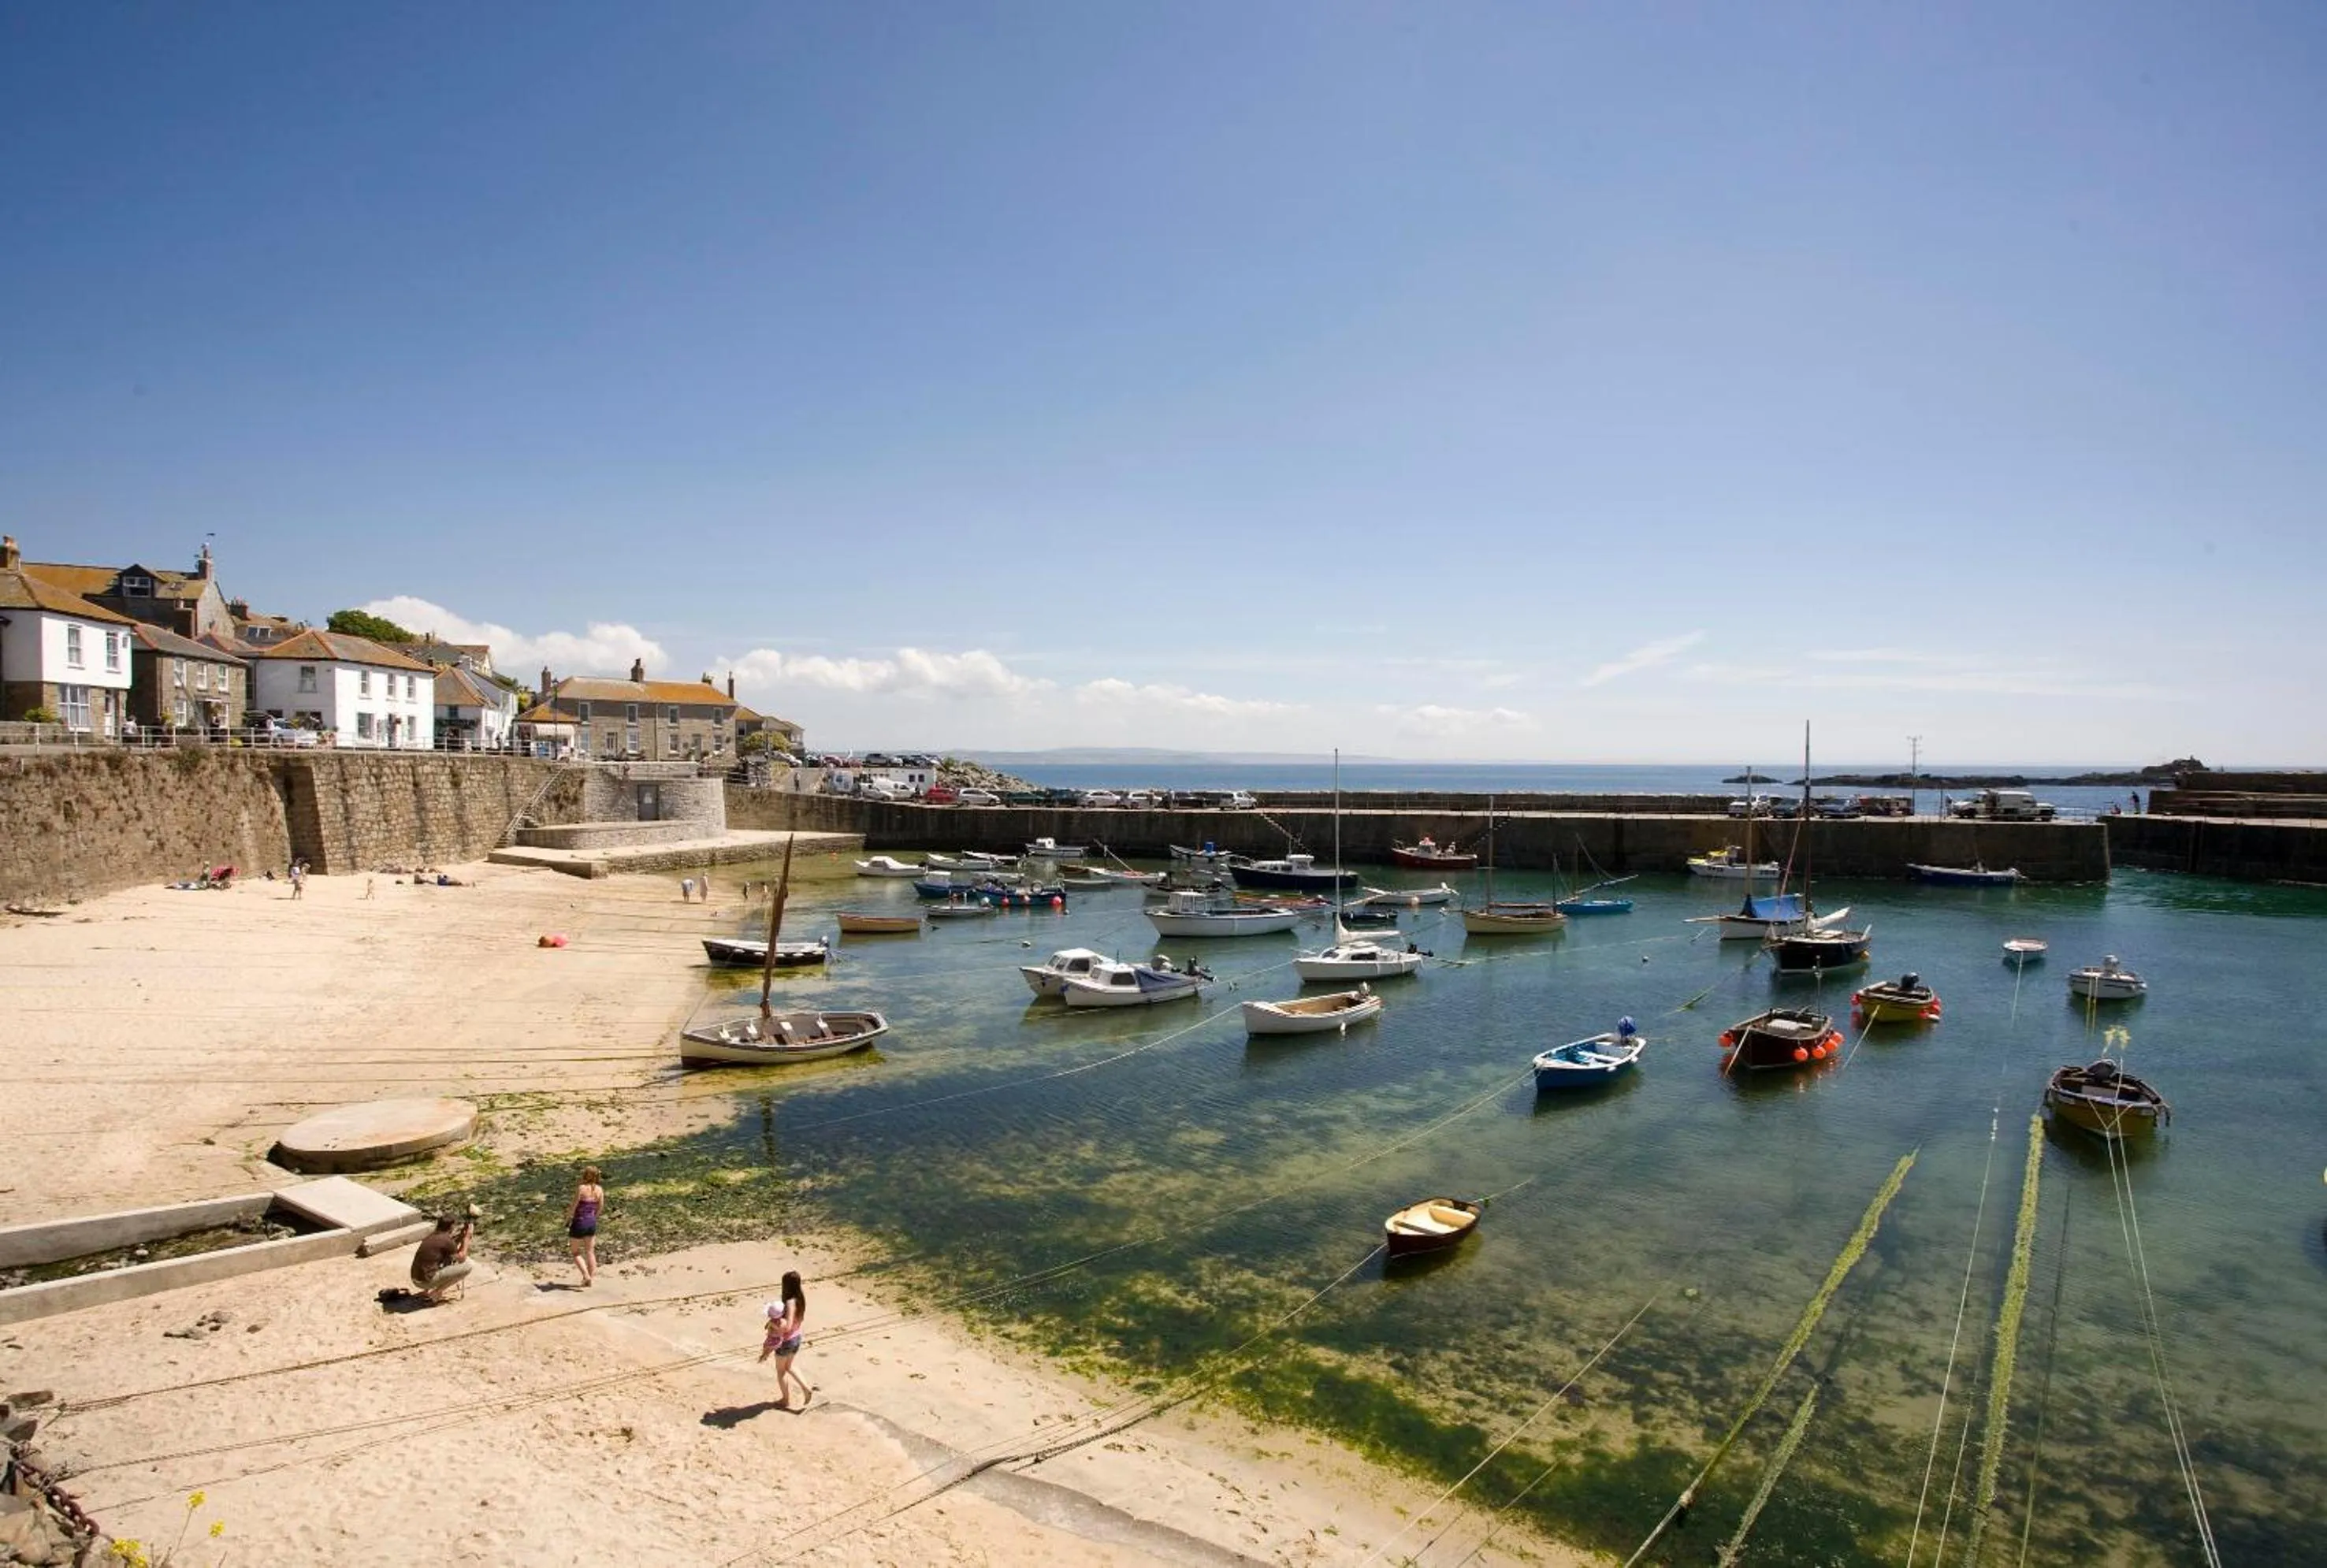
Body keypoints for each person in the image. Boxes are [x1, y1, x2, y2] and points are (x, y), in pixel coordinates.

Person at [758, 1271, 809, 1409]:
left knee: (781, 1371)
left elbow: (788, 1326)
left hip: (786, 1341)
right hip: (796, 1338)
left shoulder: (790, 1302)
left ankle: (785, 1400)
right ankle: (806, 1388)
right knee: (790, 1366)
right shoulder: (800, 1298)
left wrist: (774, 1324)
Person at [411, 1213, 474, 1302]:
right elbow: (462, 1258)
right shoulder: (446, 1240)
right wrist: (467, 1238)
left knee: (441, 1260)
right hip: (426, 1282)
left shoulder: (433, 1235)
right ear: (451, 1227)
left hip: (416, 1278)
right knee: (469, 1265)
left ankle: (426, 1292)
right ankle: (437, 1293)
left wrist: (461, 1237)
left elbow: (450, 1250)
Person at [567, 1165, 604, 1287]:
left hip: (579, 1222)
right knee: (590, 1252)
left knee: (575, 1252)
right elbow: (600, 1207)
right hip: (591, 1222)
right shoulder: (599, 1190)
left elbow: (574, 1206)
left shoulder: (581, 1188)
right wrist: (594, 1217)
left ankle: (586, 1276)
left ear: (585, 1175)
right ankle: (590, 1279)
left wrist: (568, 1218)